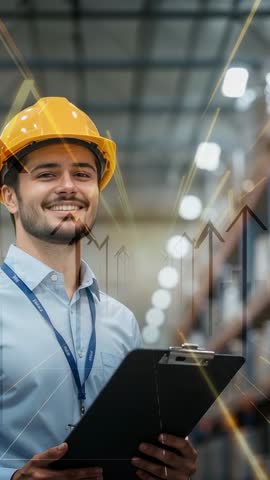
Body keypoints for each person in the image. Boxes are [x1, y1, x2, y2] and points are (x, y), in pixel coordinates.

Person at [0, 97, 197, 480]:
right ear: (9, 196)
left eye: (83, 174)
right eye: (46, 174)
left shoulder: (119, 322)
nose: (68, 187)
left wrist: (169, 467)